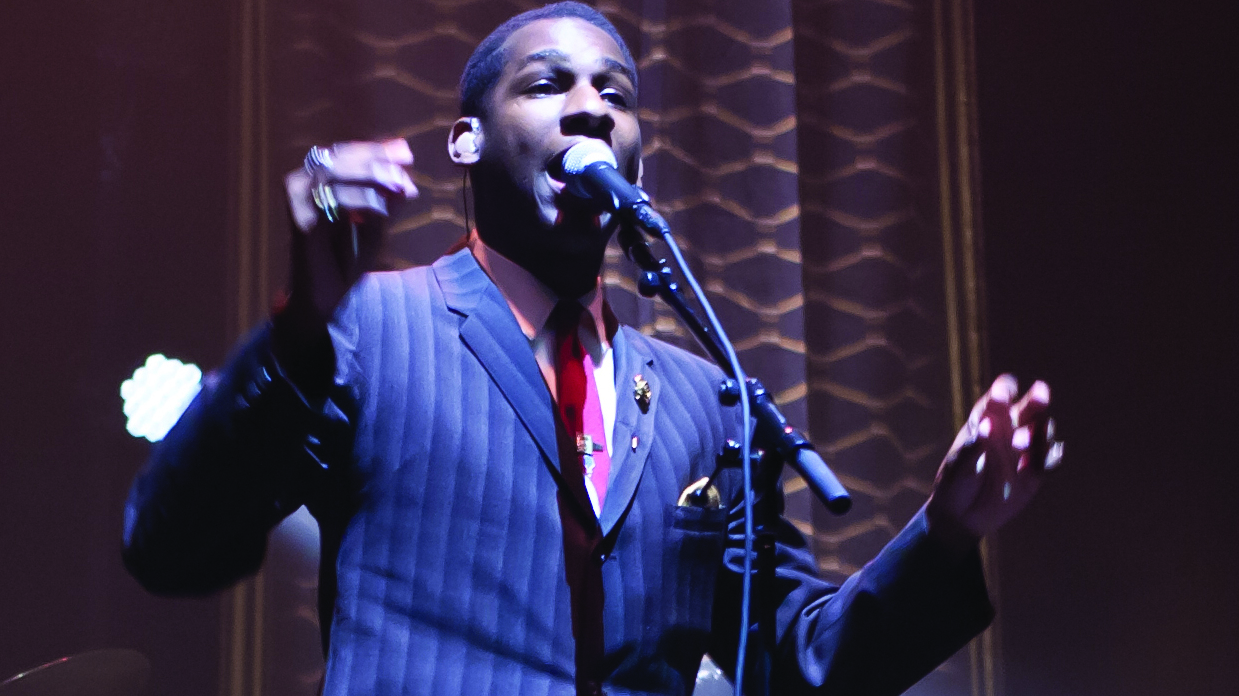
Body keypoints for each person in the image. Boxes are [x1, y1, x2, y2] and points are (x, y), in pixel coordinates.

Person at [122, 3, 1061, 695]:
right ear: (465, 141)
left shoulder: (705, 398)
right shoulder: (371, 328)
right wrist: (296, 335)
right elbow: (171, 547)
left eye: (616, 93)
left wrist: (945, 534)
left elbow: (798, 658)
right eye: (546, 84)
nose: (591, 109)